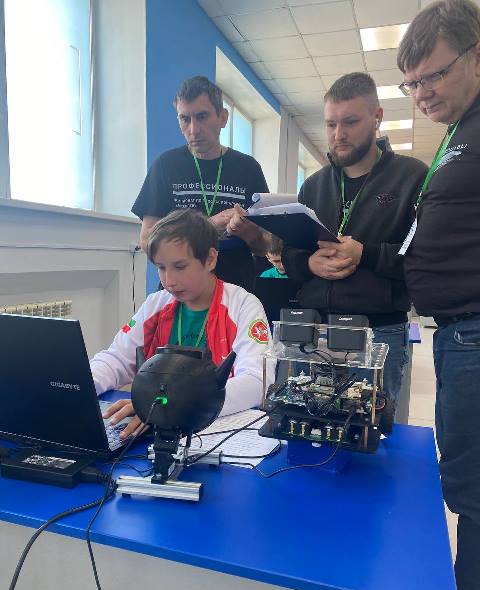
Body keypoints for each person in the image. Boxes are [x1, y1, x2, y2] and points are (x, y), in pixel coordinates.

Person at [397, 2, 480, 590]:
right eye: (411, 83)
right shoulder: (457, 135)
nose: (422, 92)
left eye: (433, 75)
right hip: (455, 334)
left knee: (474, 493)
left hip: (474, 330)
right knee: (465, 484)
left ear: (476, 56)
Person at [282, 72, 427, 409]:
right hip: (313, 332)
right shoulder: (313, 186)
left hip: (379, 332)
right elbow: (290, 254)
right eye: (331, 124)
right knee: (309, 425)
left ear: (377, 117)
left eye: (350, 122)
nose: (339, 134)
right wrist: (308, 263)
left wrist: (366, 254)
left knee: (370, 429)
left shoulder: (411, 177)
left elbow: (422, 259)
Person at [90, 209, 273, 438]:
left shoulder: (243, 305)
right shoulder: (156, 304)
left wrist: (164, 404)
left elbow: (258, 381)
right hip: (158, 429)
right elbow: (116, 358)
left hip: (216, 432)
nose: (169, 281)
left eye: (179, 267)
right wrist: (81, 386)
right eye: (161, 267)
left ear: (210, 259)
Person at [132, 75, 270, 292]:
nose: (194, 129)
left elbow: (265, 246)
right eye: (185, 119)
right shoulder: (166, 166)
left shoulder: (248, 168)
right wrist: (209, 226)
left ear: (222, 118)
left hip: (234, 292)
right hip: (178, 292)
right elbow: (147, 240)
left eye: (202, 116)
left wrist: (248, 232)